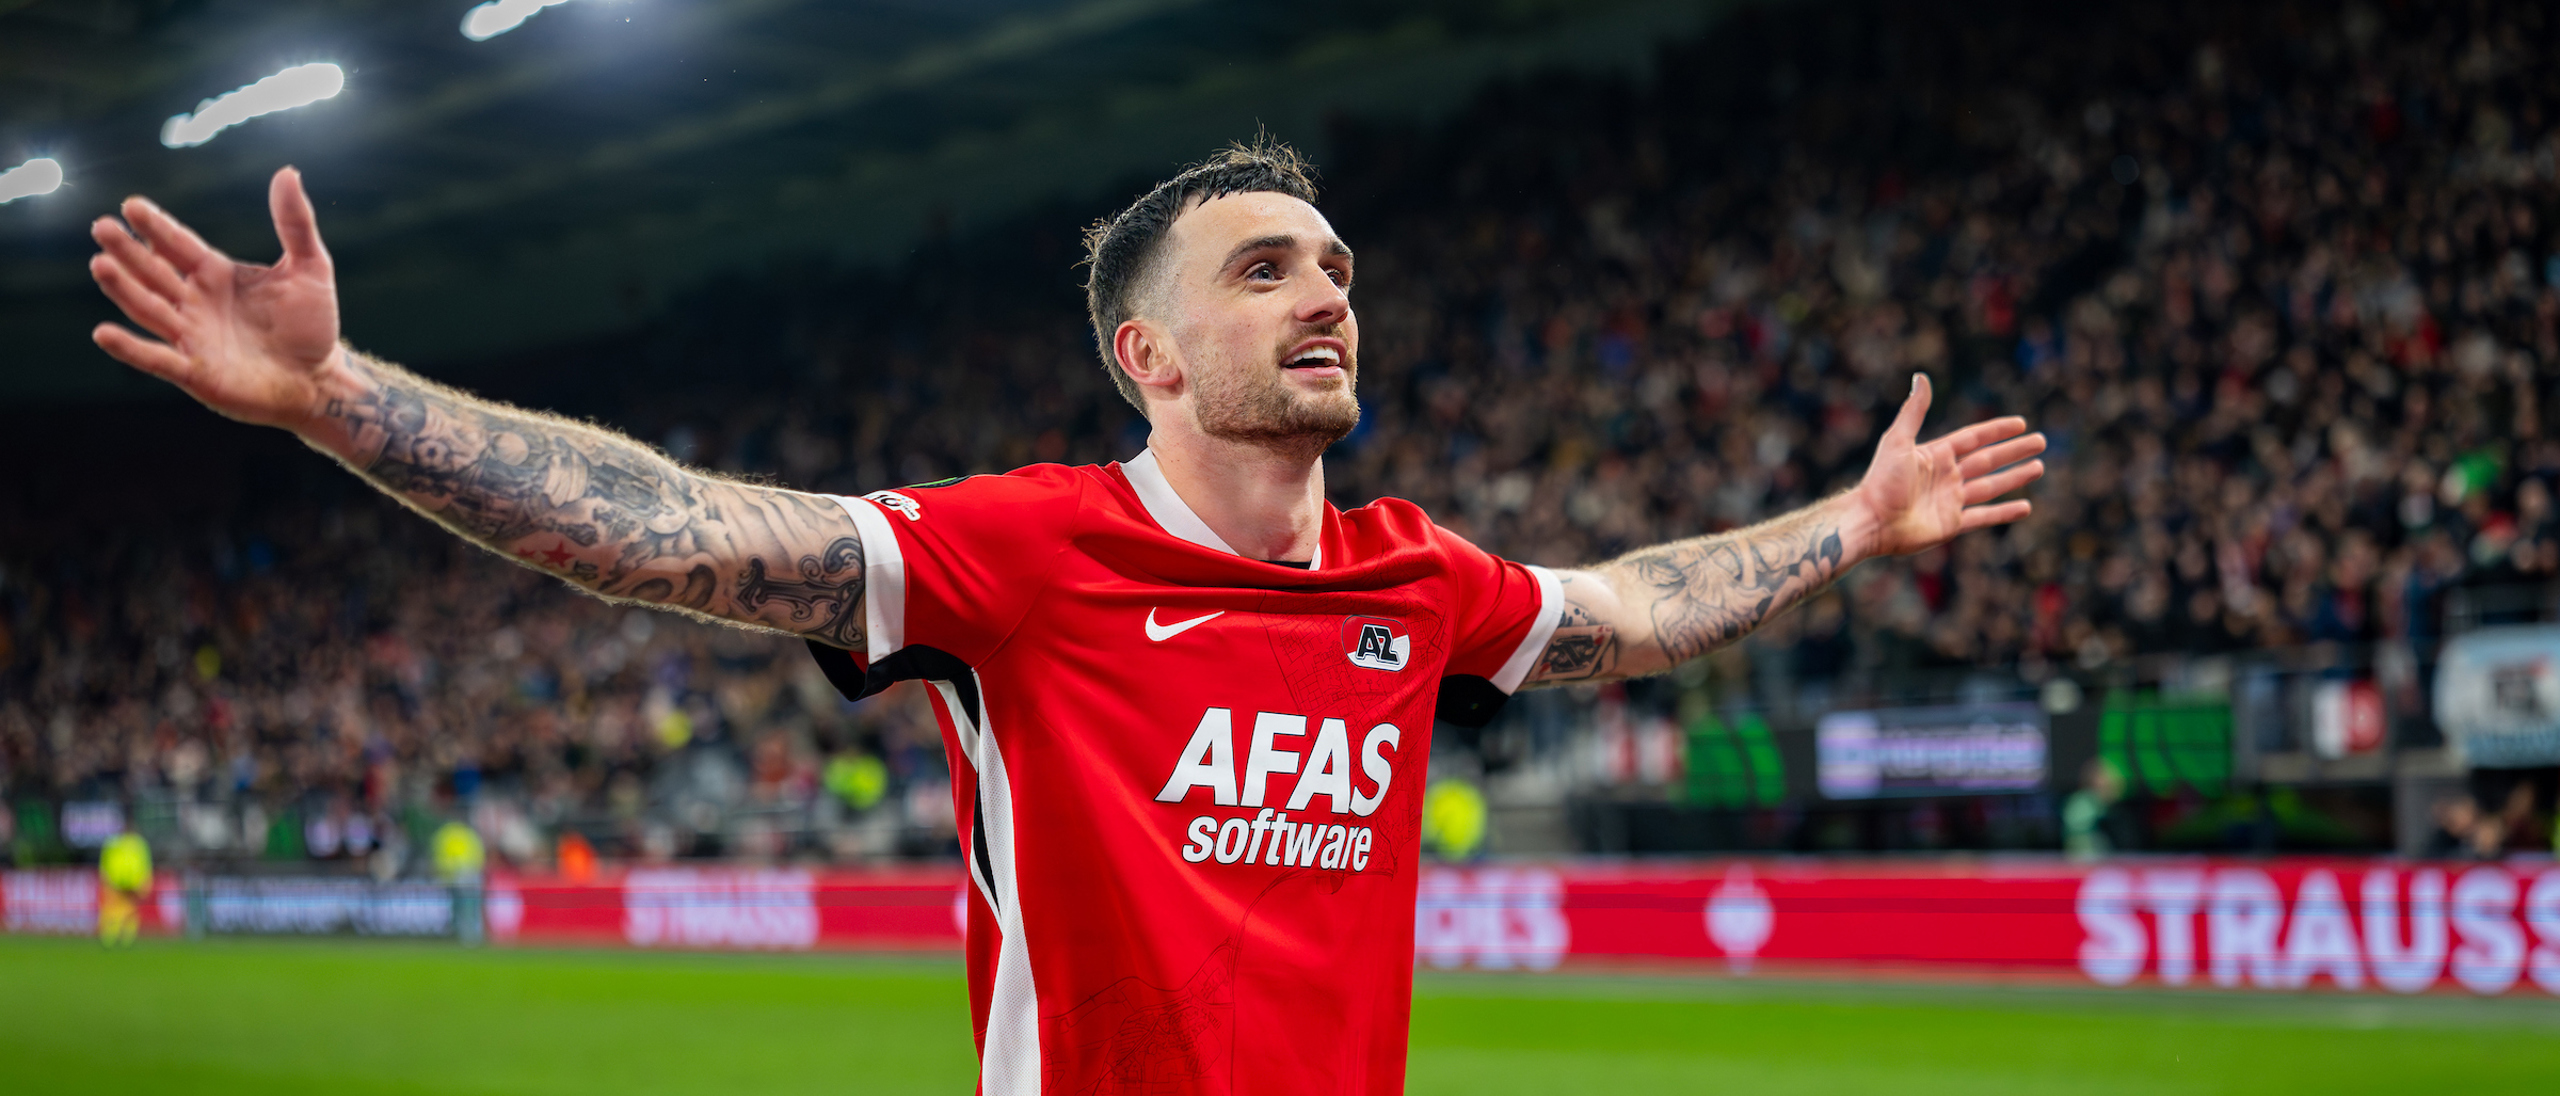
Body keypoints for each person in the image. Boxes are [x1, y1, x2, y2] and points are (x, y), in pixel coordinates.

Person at [86, 138, 2043, 1095]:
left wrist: (1855, 524)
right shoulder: (1024, 556)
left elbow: (1631, 609)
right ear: (1149, 356)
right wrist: (342, 399)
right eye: (1264, 268)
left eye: (1335, 266)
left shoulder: (1414, 576)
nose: (1325, 292)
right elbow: (676, 533)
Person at [97, 828, 151, 946]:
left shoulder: (137, 843)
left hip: (131, 881)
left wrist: (144, 881)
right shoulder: (114, 842)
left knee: (129, 909)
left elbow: (144, 862)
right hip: (117, 879)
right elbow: (105, 861)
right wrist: (105, 878)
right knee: (113, 909)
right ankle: (110, 936)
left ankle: (126, 937)